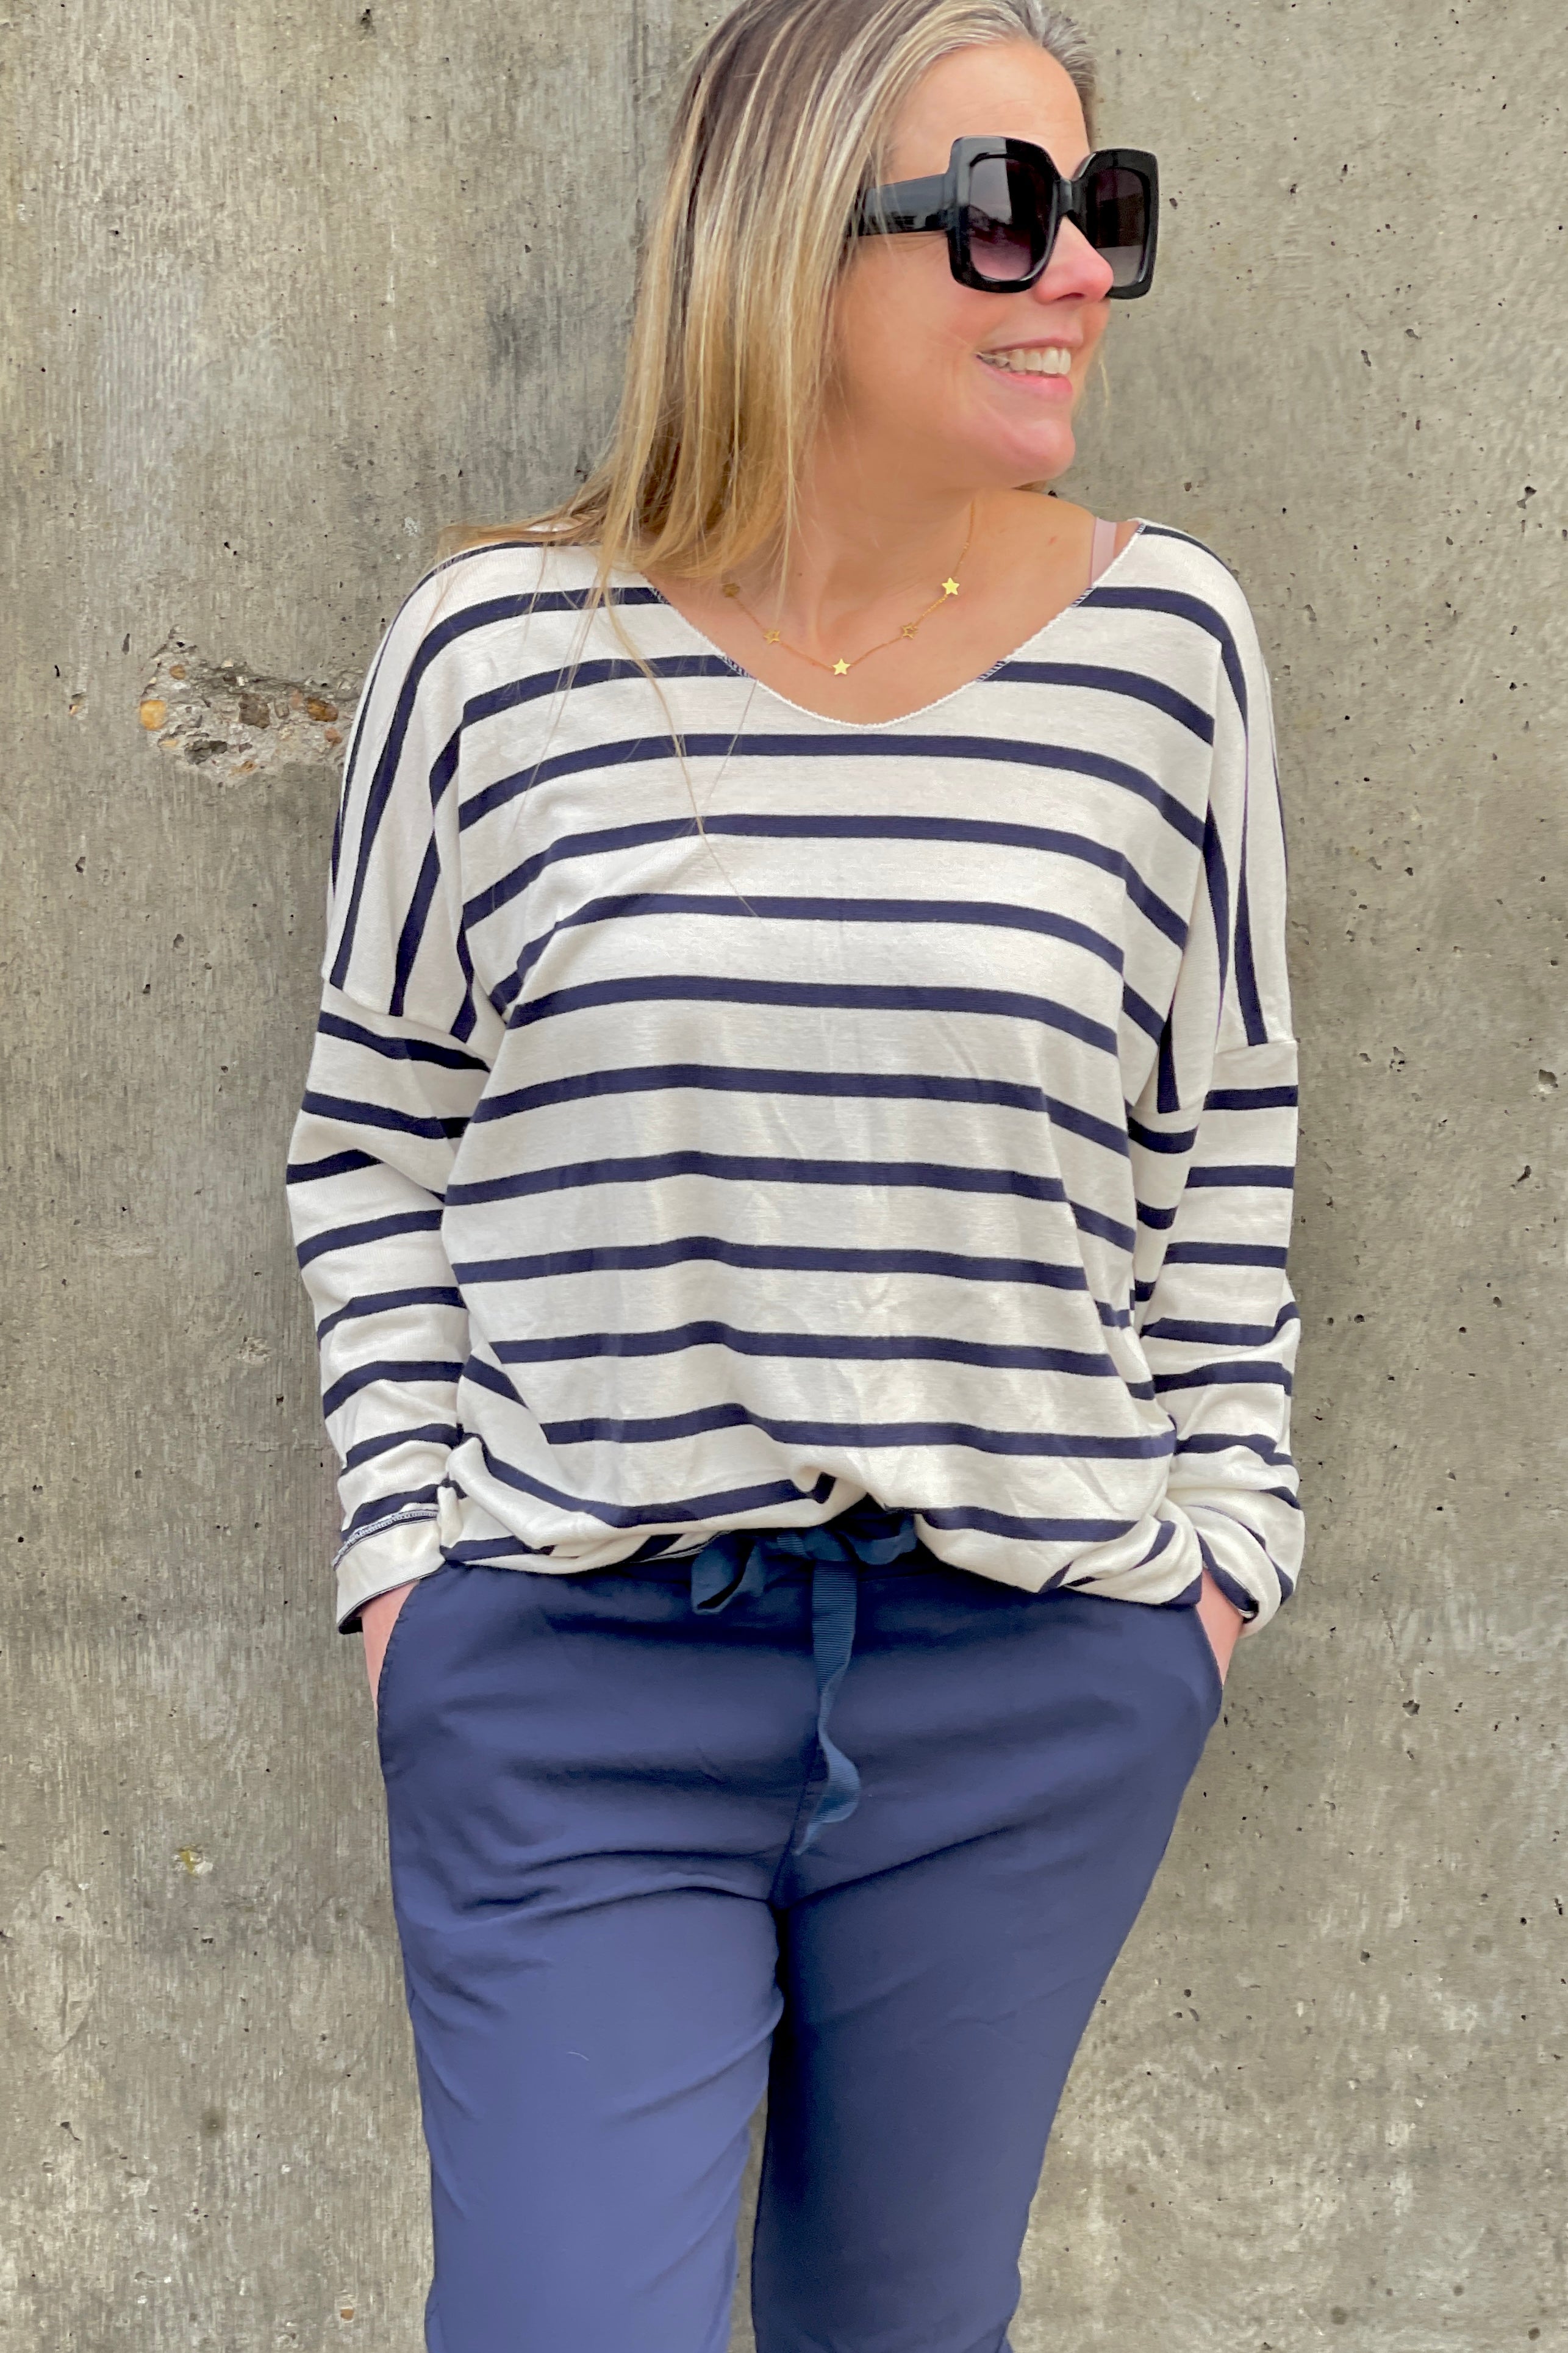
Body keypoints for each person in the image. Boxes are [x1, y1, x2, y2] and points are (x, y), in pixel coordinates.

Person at [285, 1, 1302, 2344]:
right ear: (772, 249)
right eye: (1000, 211)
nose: (1074, 274)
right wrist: (408, 1565)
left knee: (901, 2324)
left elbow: (1223, 1128)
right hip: (573, 1674)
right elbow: (374, 1135)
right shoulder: (494, 660)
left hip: (1030, 1676)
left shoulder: (1172, 652)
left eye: (1102, 209)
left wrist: (1211, 1564)